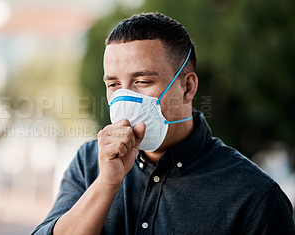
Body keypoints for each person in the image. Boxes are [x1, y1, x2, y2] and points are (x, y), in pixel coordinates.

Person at [32, 13, 295, 235]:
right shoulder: (89, 163)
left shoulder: (254, 197)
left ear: (188, 87)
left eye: (142, 82)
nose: (125, 98)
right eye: (113, 85)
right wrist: (106, 185)